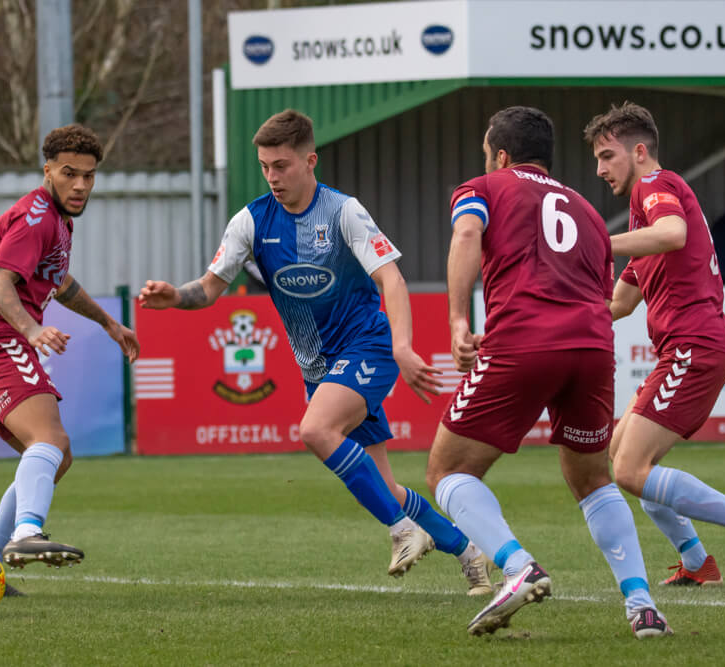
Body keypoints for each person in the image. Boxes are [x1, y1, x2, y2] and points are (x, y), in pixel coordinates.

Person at [139, 109, 494, 595]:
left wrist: (403, 346)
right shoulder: (250, 221)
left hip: (367, 345)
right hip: (321, 368)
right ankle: (469, 552)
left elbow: (390, 278)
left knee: (315, 428)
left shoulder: (343, 212)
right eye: (264, 165)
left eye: (281, 165)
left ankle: (402, 529)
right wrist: (174, 298)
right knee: (384, 487)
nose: (272, 176)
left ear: (310, 161)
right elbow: (209, 287)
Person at [425, 106, 672, 639]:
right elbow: (601, 286)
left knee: (446, 472)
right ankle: (643, 606)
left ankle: (516, 567)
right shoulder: (584, 208)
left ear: (501, 155)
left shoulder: (485, 186)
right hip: (591, 345)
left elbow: (467, 236)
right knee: (592, 478)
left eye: (487, 152)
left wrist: (457, 318)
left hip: (523, 340)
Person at [583, 102, 725, 594]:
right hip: (683, 348)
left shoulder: (657, 187)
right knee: (624, 456)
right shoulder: (644, 221)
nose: (599, 168)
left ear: (639, 152)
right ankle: (697, 560)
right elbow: (617, 303)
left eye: (607, 155)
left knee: (630, 468)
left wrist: (597, 240)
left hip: (693, 346)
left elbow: (674, 233)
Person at [0, 125, 141, 588]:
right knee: (49, 441)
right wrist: (32, 330)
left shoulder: (56, 221)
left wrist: (108, 323)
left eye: (89, 176)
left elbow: (60, 282)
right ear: (48, 170)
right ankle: (27, 532)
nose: (80, 185)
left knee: (58, 453)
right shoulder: (36, 218)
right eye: (69, 174)